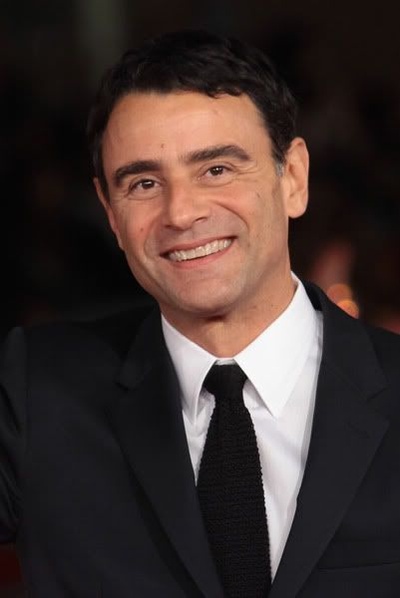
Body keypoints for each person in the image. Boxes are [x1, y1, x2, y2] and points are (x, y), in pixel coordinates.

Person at [1, 30, 400, 598]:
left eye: (216, 169)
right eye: (144, 183)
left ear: (293, 178)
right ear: (110, 213)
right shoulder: (36, 392)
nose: (181, 213)